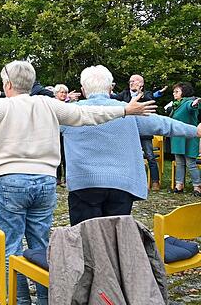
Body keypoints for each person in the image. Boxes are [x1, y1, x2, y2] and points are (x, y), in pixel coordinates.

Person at [0, 60, 156, 305]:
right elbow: (86, 114)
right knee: (42, 245)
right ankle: (47, 299)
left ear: (7, 84)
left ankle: (19, 301)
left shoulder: (1, 107)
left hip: (8, 183)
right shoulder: (49, 104)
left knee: (12, 246)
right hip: (45, 183)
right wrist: (124, 110)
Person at [61, 66, 201, 225]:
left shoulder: (69, 112)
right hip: (122, 185)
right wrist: (195, 131)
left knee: (85, 239)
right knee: (118, 239)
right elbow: (163, 123)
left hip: (83, 184)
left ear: (83, 90)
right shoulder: (129, 110)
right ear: (110, 88)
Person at [111, 74, 168, 191]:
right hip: (129, 130)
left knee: (150, 156)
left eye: (134, 81)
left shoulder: (146, 94)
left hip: (144, 132)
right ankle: (127, 181)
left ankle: (155, 182)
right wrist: (109, 91)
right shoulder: (125, 94)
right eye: (130, 81)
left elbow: (151, 101)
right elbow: (113, 100)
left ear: (141, 84)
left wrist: (139, 94)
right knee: (126, 156)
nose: (131, 83)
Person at [167, 82, 201, 196]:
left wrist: (194, 104)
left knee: (190, 163)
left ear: (184, 92)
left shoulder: (188, 102)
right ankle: (179, 185)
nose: (174, 93)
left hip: (189, 137)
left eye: (177, 91)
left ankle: (197, 186)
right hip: (177, 137)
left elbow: (191, 107)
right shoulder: (176, 104)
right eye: (173, 91)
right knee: (179, 162)